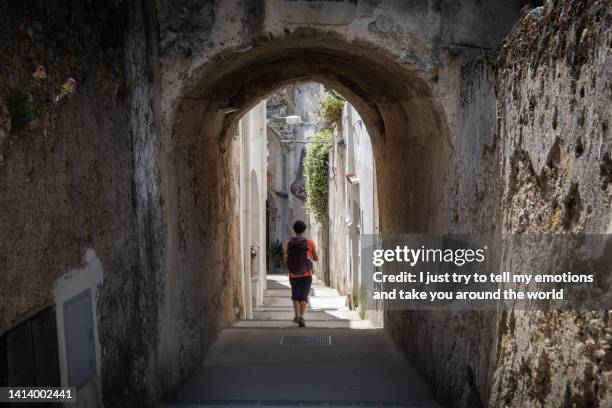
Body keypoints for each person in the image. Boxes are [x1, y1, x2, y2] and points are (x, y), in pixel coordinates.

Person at [284, 220, 318, 327]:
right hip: (306, 274)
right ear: (304, 230)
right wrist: (310, 257)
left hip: (293, 274)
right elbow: (316, 258)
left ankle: (296, 315)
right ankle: (302, 317)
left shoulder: (288, 243)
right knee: (303, 296)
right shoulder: (309, 243)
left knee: (295, 296)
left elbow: (286, 258)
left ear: (294, 230)